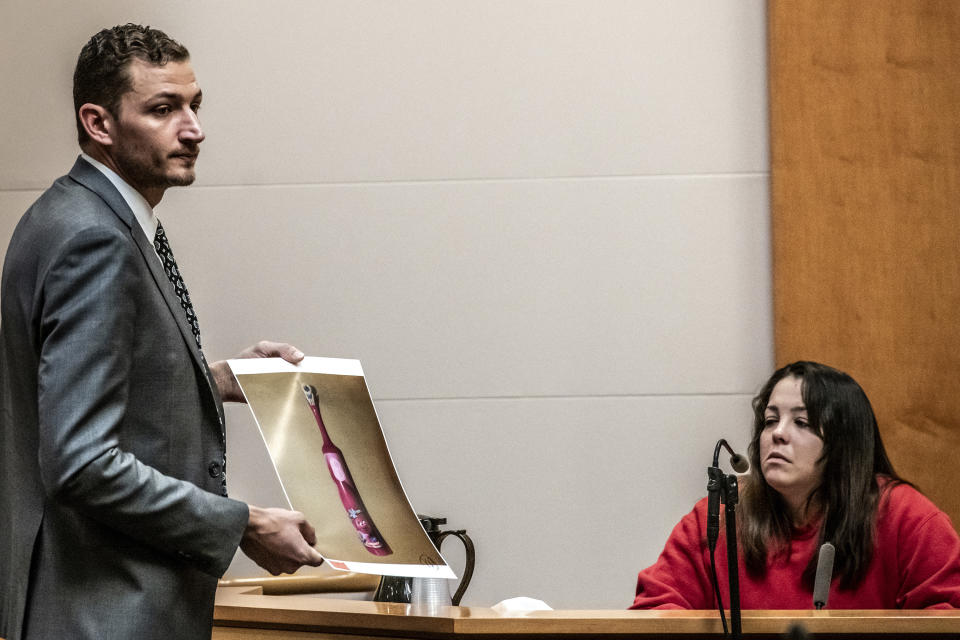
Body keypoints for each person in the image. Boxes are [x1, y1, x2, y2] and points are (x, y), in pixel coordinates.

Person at [0, 24, 325, 640]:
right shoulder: (94, 239)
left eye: (194, 105)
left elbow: (86, 384)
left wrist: (216, 377)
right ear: (99, 124)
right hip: (104, 611)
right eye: (162, 109)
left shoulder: (76, 214)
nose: (194, 128)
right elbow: (83, 463)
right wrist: (243, 524)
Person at [631, 361, 960, 610]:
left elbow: (949, 616)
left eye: (801, 422)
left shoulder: (907, 517)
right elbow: (654, 611)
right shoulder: (720, 515)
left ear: (843, 443)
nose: (778, 433)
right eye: (771, 420)